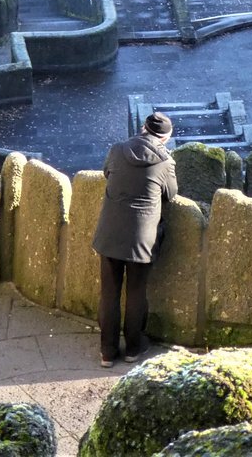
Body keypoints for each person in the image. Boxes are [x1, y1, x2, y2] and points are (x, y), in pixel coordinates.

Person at [92, 112, 177, 367]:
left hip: (109, 233)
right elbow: (171, 194)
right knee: (136, 293)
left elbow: (107, 172)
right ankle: (133, 348)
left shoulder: (118, 149)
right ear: (166, 138)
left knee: (109, 293)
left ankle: (107, 352)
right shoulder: (165, 161)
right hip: (142, 238)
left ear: (143, 128)